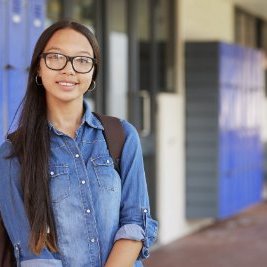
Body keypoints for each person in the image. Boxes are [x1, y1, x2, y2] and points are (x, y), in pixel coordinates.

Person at [0, 20, 158, 267]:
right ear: (38, 68)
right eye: (56, 57)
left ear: (93, 72)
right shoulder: (13, 153)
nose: (69, 70)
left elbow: (135, 224)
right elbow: (33, 255)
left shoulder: (121, 136)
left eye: (82, 60)